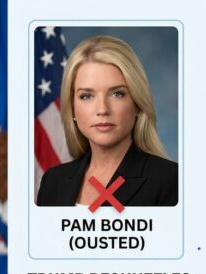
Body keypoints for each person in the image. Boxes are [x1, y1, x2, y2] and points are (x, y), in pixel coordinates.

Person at [37, 35, 177, 206]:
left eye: (117, 94)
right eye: (86, 96)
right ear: (72, 108)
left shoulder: (171, 180)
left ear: (138, 105)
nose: (102, 109)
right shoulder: (53, 181)